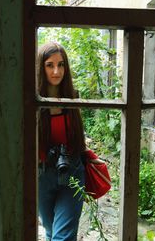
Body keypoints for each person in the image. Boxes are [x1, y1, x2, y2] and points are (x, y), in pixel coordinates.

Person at [37, 42, 103, 241]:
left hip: (72, 171)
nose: (56, 71)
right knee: (50, 233)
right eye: (49, 65)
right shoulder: (33, 99)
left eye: (61, 64)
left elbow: (76, 138)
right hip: (42, 173)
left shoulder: (72, 97)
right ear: (41, 67)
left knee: (62, 237)